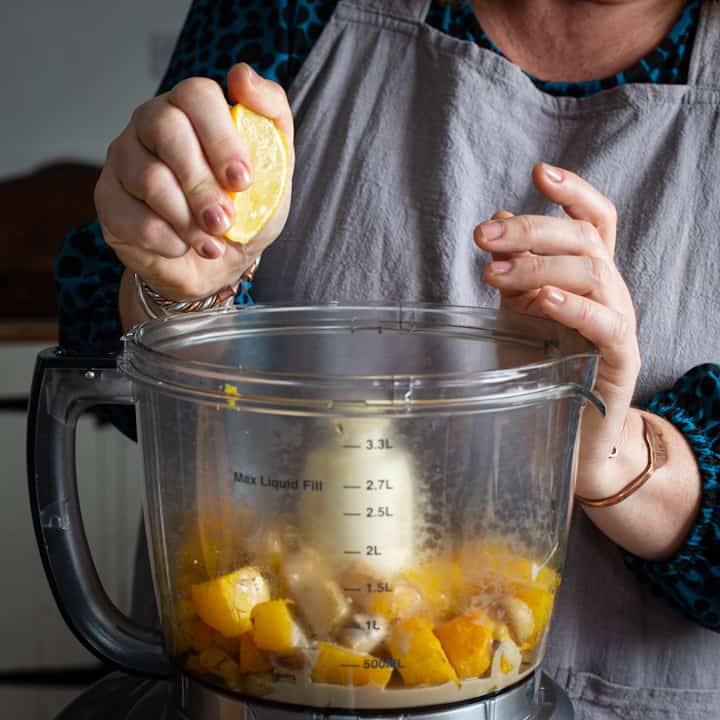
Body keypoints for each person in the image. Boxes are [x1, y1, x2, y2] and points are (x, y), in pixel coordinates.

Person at [55, 0, 720, 717]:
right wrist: (182, 283)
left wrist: (615, 456)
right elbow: (130, 363)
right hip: (249, 692)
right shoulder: (281, 10)